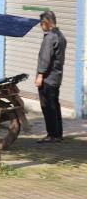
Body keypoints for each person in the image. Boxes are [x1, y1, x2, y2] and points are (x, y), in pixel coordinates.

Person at [36, 11, 67, 144]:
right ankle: (58, 134)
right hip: (57, 77)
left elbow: (45, 58)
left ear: (45, 23)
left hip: (48, 78)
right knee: (55, 105)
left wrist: (40, 75)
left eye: (41, 24)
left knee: (48, 106)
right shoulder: (61, 36)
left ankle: (52, 135)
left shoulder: (49, 38)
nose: (40, 27)